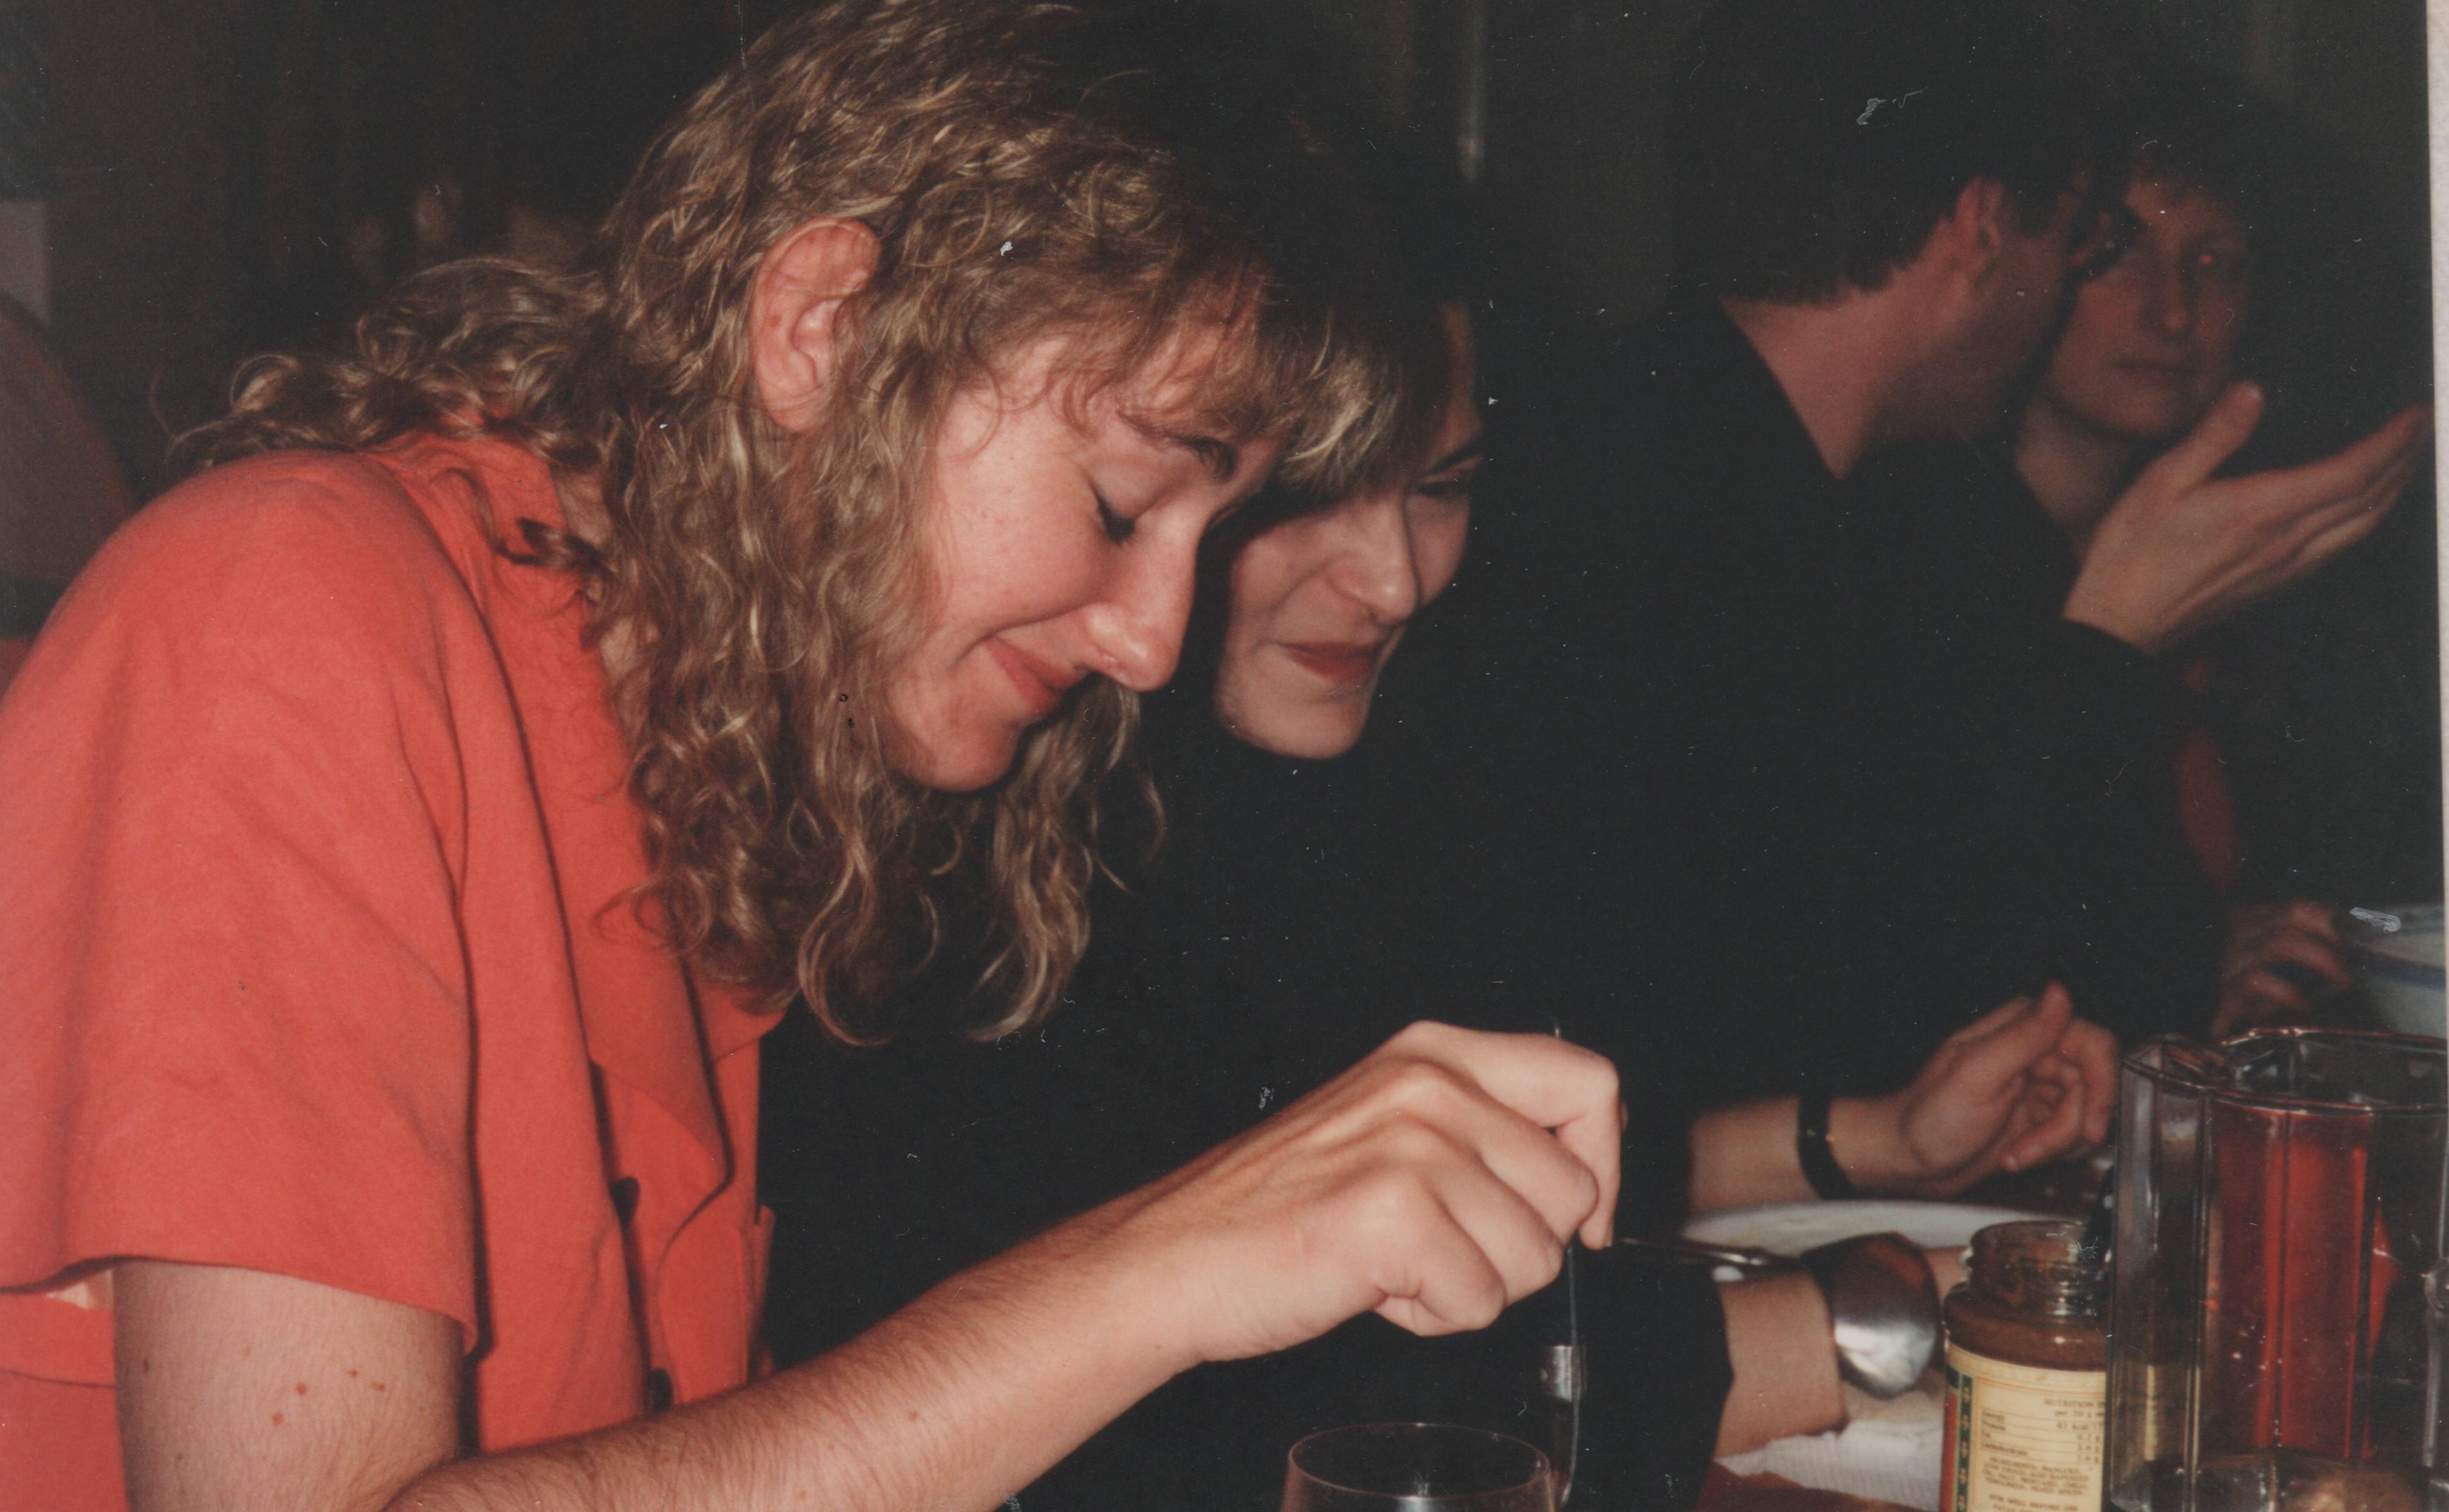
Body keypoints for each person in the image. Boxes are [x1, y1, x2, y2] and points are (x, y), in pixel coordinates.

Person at [0, 6, 1631, 1509]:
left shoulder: (691, 769)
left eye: (1209, 536)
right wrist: (1172, 1260)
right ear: (822, 329)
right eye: (1121, 502)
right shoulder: (285, 610)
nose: (1152, 643)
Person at [763, 300, 2120, 1510]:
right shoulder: (976, 815)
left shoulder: (1319, 777)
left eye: (1441, 488)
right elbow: (1313, 1430)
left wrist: (1859, 1141)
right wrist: (1875, 1314)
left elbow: (1434, 1196)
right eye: (1308, 494)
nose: (1394, 579)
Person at [1481, 0, 2429, 1124]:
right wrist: (2112, 641)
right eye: (2079, 239)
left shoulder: (1702, 451)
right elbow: (1898, 1015)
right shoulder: (1695, 515)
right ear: (1981, 227)